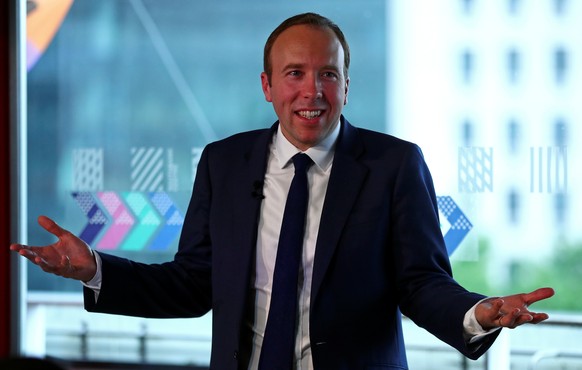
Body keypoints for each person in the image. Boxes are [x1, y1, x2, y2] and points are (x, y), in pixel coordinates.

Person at [11, 12, 554, 370]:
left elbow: (420, 282)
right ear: (268, 86)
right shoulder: (223, 163)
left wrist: (480, 312)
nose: (312, 91)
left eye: (328, 75)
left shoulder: (393, 165)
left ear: (347, 84)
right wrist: (96, 270)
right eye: (294, 74)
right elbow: (194, 284)